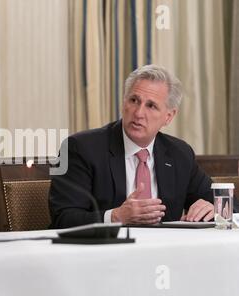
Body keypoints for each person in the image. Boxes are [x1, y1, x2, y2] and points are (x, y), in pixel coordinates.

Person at [49, 64, 216, 228]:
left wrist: (214, 207)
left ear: (168, 116)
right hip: (102, 251)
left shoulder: (179, 153)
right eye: (134, 100)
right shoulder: (80, 148)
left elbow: (229, 204)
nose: (138, 113)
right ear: (124, 102)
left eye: (151, 106)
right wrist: (115, 217)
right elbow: (62, 218)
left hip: (164, 251)